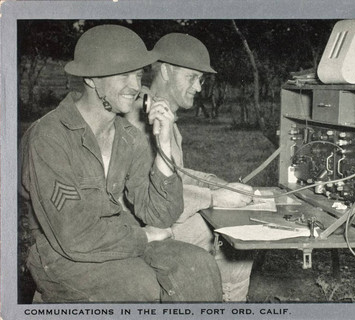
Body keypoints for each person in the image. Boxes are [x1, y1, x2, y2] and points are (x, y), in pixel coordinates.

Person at [20, 25, 222, 303]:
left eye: (138, 74)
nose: (135, 86)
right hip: (59, 255)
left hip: (117, 241)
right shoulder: (49, 136)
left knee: (201, 266)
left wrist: (163, 143)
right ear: (91, 79)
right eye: (123, 75)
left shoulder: (128, 137)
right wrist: (145, 237)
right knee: (141, 287)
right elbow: (73, 235)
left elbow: (160, 215)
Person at [125, 33, 255, 302]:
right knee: (238, 234)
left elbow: (172, 174)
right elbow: (155, 198)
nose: (198, 87)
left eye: (201, 79)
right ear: (166, 71)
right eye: (191, 78)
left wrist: (213, 182)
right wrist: (214, 197)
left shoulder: (160, 112)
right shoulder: (142, 116)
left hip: (156, 219)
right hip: (142, 230)